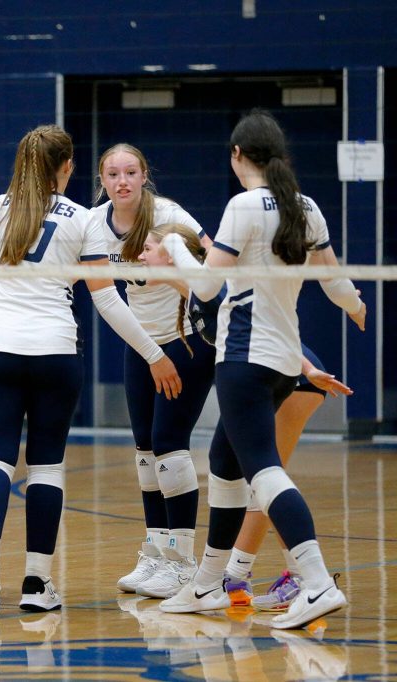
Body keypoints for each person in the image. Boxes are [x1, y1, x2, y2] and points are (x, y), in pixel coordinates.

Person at [0, 124, 181, 617]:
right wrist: (153, 352)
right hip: (54, 351)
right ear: (68, 166)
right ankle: (36, 583)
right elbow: (107, 301)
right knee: (46, 466)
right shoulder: (83, 219)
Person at [157, 110, 366, 629]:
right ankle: (208, 583)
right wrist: (357, 305)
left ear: (237, 156)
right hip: (282, 362)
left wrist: (177, 249)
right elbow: (336, 283)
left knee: (264, 472)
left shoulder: (244, 205)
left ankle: (316, 585)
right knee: (224, 464)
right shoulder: (306, 206)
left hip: (245, 358)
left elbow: (205, 287)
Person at [138, 223, 355, 612]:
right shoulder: (192, 298)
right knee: (230, 465)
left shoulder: (209, 287)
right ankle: (216, 582)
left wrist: (308, 371)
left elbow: (265, 328)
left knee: (262, 477)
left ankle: (292, 577)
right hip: (289, 374)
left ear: (171, 255)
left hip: (284, 378)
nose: (140, 256)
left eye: (149, 248)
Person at [91, 144, 216, 599]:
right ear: (102, 180)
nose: (121, 181)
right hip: (140, 345)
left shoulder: (168, 214)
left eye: (130, 172)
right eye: (112, 174)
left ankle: (184, 562)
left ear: (144, 175)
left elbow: (216, 261)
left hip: (184, 342)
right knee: (144, 448)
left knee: (168, 445)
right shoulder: (94, 224)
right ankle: (157, 553)